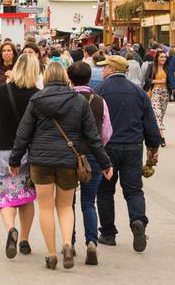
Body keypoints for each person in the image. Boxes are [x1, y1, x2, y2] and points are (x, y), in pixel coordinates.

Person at [9, 62, 112, 270]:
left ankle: (52, 254)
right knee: (65, 206)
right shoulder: (78, 101)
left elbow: (23, 133)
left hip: (41, 161)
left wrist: (15, 159)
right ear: (66, 78)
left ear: (46, 78)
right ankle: (67, 243)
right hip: (68, 161)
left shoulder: (36, 100)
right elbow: (92, 137)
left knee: (46, 207)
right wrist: (105, 163)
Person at [94, 55, 162, 252]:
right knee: (133, 190)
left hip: (107, 147)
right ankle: (138, 220)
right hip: (133, 147)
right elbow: (150, 123)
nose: (102, 70)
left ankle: (108, 233)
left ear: (112, 68)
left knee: (105, 191)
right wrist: (153, 147)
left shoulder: (100, 90)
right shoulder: (138, 92)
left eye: (105, 67)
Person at [0, 53, 39, 259]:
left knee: (5, 195)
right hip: (28, 150)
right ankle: (25, 239)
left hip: (1, 148)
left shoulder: (0, 91)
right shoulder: (37, 94)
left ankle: (10, 229)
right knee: (26, 197)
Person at [68, 62, 113, 265]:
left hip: (68, 156)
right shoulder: (99, 101)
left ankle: (70, 241)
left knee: (67, 203)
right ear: (89, 79)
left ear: (70, 79)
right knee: (88, 202)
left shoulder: (66, 99)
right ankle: (92, 242)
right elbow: (106, 132)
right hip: (93, 156)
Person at [145, 50, 169, 147]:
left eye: (164, 57)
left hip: (165, 93)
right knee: (157, 114)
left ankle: (155, 134)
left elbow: (170, 80)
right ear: (157, 58)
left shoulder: (167, 68)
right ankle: (161, 138)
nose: (163, 59)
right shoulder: (152, 67)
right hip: (155, 92)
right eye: (161, 57)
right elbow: (147, 80)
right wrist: (159, 81)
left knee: (160, 115)